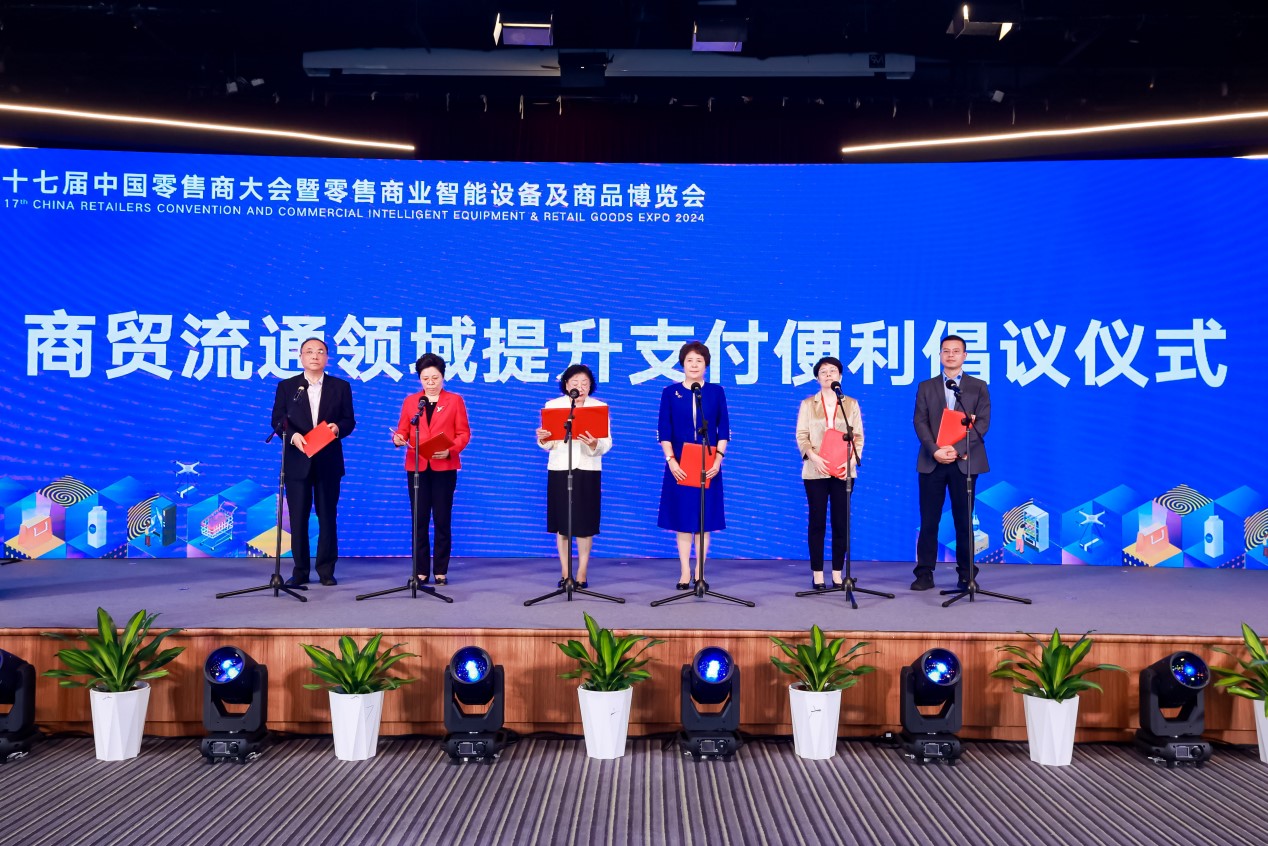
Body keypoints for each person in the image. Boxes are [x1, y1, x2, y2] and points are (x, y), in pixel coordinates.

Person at [271, 337, 356, 587]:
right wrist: (292, 435)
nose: (315, 356)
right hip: (298, 461)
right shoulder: (288, 387)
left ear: (327, 358)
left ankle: (326, 570)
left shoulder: (340, 387)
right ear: (301, 357)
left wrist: (337, 428)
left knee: (327, 516)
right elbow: (277, 420)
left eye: (320, 352)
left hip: (328, 461)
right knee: (298, 519)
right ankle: (300, 571)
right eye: (309, 352)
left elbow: (349, 420)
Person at [912, 334, 990, 591]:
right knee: (929, 520)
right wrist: (935, 450)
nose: (951, 355)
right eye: (946, 351)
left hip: (964, 462)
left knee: (964, 521)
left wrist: (956, 450)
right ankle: (924, 573)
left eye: (956, 351)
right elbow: (919, 421)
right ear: (940, 355)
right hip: (932, 461)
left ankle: (967, 575)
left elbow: (982, 424)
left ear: (964, 356)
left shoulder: (978, 386)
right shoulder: (926, 386)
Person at [392, 353, 471, 586]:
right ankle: (420, 570)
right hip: (417, 466)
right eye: (425, 378)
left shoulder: (454, 400)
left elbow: (463, 433)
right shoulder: (411, 402)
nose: (430, 383)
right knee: (419, 519)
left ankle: (440, 570)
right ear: (419, 379)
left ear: (443, 377)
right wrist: (398, 438)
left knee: (442, 518)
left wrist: (450, 450)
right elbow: (403, 429)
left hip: (444, 466)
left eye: (435, 378)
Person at [657, 341, 729, 589]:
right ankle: (685, 571)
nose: (694, 365)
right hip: (680, 462)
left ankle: (700, 571)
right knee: (684, 519)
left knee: (703, 520)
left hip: (709, 461)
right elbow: (664, 430)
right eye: (690, 360)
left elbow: (723, 429)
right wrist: (671, 461)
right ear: (682, 364)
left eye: (699, 360)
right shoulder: (670, 392)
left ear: (706, 364)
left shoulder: (716, 392)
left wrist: (718, 460)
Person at [534, 364, 612, 587]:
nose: (580, 386)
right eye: (575, 383)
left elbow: (607, 442)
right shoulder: (553, 406)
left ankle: (582, 573)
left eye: (585, 383)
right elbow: (548, 443)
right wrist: (543, 438)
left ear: (591, 386)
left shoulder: (599, 407)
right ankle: (565, 573)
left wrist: (595, 443)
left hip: (588, 469)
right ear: (566, 385)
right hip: (560, 468)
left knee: (584, 525)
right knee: (563, 525)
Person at [795, 356, 864, 590]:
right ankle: (817, 574)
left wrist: (851, 461)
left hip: (843, 470)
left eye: (832, 371)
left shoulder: (850, 404)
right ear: (817, 378)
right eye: (823, 372)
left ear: (840, 376)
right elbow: (802, 436)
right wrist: (814, 457)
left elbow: (858, 437)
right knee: (817, 521)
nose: (828, 375)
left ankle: (837, 573)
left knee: (840, 522)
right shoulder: (808, 404)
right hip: (816, 470)